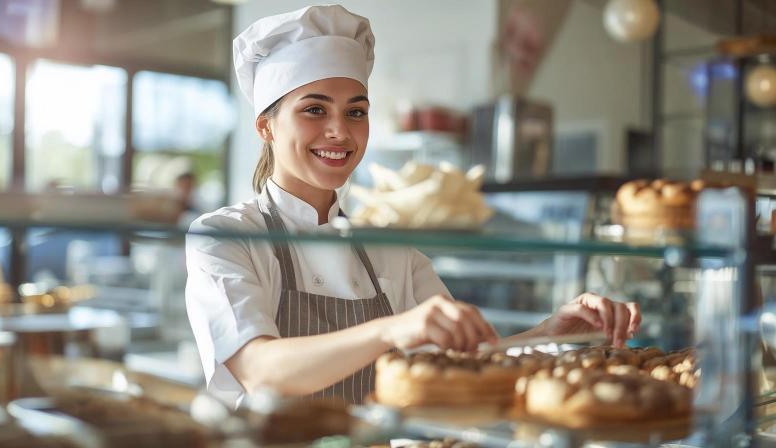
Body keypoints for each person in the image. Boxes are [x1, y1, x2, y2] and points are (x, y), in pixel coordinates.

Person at [185, 4, 640, 407]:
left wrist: (550, 333)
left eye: (356, 112)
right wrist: (390, 330)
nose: (340, 132)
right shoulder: (225, 237)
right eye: (315, 110)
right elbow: (257, 369)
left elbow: (462, 360)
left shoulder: (388, 247)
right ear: (265, 126)